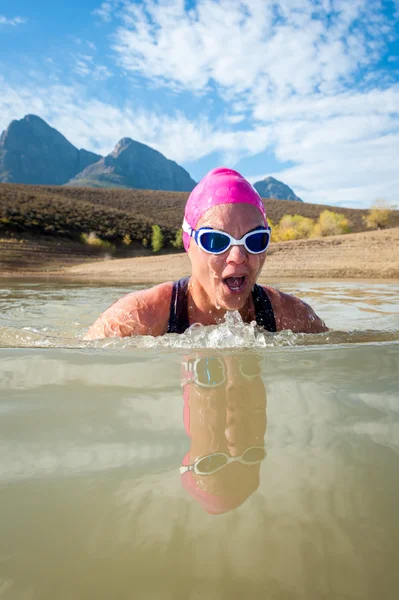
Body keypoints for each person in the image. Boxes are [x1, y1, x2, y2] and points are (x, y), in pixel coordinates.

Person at [85, 167, 327, 339]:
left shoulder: (292, 315)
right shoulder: (139, 316)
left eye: (255, 240)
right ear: (188, 244)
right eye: (216, 240)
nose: (238, 256)